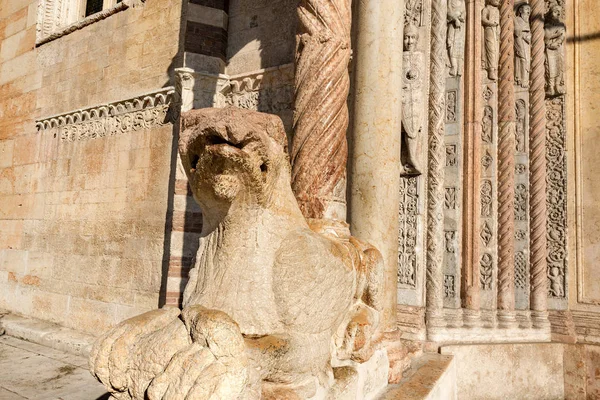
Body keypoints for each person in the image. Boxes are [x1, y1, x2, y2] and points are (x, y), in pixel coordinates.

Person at [482, 0, 500, 81]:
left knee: (496, 50)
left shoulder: (497, 10)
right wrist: (490, 23)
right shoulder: (486, 9)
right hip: (489, 30)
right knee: (491, 49)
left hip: (496, 31)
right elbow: (483, 19)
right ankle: (491, 70)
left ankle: (495, 69)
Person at [514, 3, 531, 88]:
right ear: (520, 10)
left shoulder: (528, 21)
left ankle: (526, 78)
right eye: (526, 9)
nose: (528, 11)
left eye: (529, 9)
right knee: (522, 58)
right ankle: (522, 79)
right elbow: (517, 31)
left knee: (527, 60)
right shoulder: (516, 19)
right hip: (519, 41)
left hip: (527, 43)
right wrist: (524, 34)